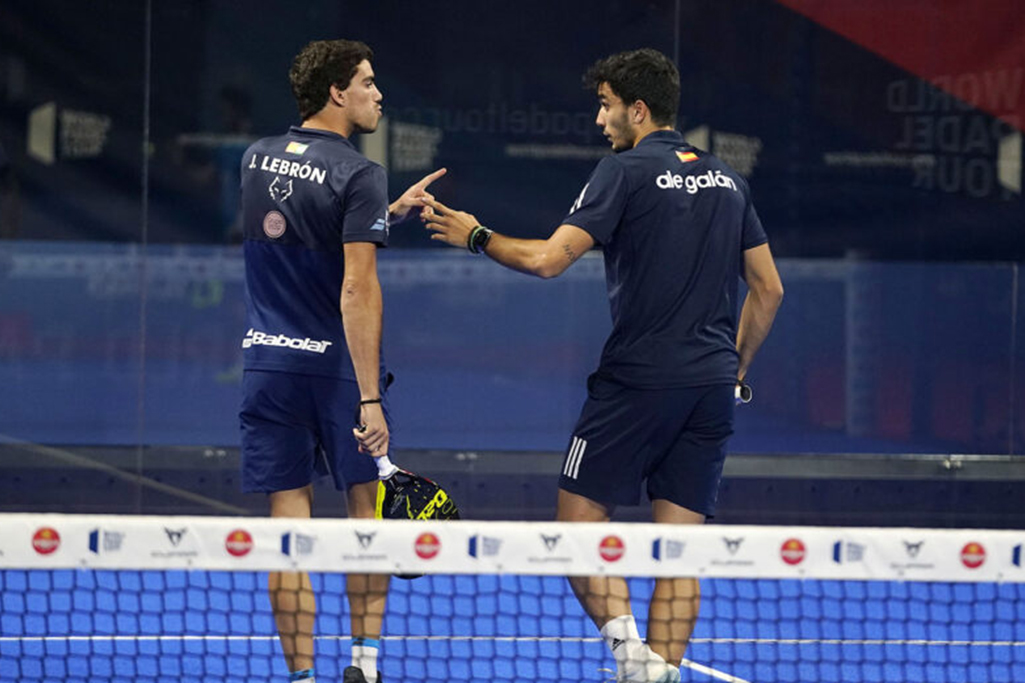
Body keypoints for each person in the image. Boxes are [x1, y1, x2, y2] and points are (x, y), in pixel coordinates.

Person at [422, 48, 783, 683]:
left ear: (637, 110)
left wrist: (476, 236)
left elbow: (548, 261)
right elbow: (769, 289)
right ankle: (658, 674)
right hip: (709, 386)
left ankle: (633, 659)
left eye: (606, 105)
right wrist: (735, 371)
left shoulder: (624, 171)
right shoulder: (729, 181)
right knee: (679, 555)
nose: (599, 120)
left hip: (638, 382)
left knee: (576, 530)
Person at [238, 39, 444, 683]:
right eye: (368, 82)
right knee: (366, 520)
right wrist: (369, 397)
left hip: (268, 367)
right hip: (336, 376)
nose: (378, 94)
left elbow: (305, 229)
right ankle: (365, 665)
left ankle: (301, 677)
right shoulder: (360, 172)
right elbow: (355, 288)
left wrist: (384, 216)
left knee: (288, 533)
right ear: (337, 92)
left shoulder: (256, 157)